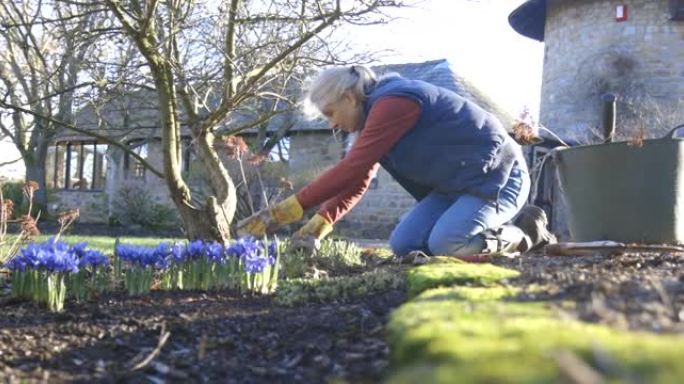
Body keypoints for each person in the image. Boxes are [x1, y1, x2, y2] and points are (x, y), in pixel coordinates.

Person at [238, 65, 555, 258]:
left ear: (349, 98)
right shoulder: (372, 121)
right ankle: (483, 230)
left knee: (446, 243)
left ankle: (525, 234)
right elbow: (358, 179)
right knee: (404, 244)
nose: (332, 125)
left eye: (331, 114)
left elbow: (350, 169)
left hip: (498, 179)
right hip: (454, 188)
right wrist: (316, 227)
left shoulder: (394, 101)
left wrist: (281, 213)